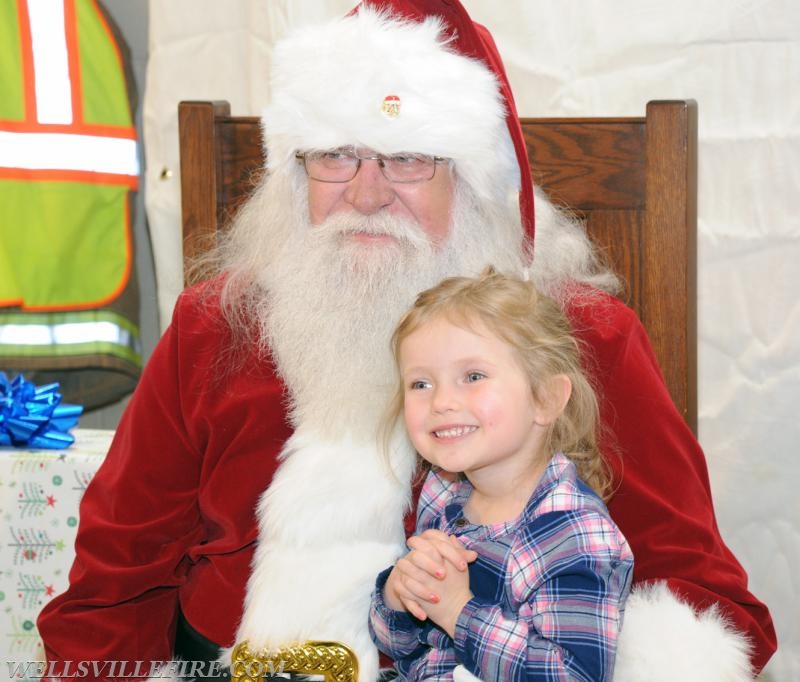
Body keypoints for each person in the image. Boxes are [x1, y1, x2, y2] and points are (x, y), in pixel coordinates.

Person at [38, 1, 775, 681]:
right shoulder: (214, 324)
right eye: (335, 155)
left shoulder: (578, 338)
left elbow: (691, 589)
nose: (364, 193)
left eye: (407, 158)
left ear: (476, 181)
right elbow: (117, 576)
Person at [369, 268, 634, 680]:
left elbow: (572, 675)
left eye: (473, 376)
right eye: (420, 383)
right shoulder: (444, 493)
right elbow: (401, 648)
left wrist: (459, 612)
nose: (441, 401)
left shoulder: (571, 531)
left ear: (545, 398)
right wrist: (399, 596)